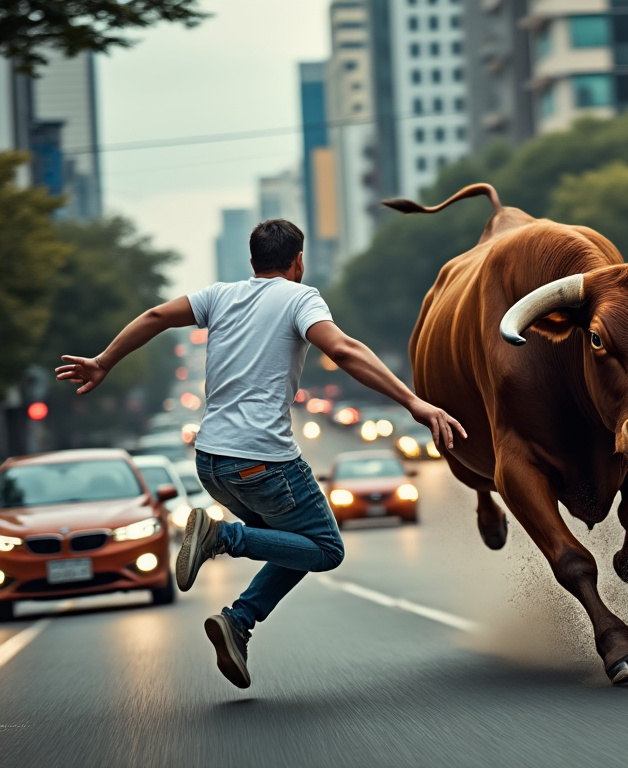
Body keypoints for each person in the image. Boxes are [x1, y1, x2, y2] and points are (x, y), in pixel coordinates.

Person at [55, 219, 465, 689]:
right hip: (263, 463)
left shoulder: (218, 296)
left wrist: (103, 361)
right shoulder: (301, 297)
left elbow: (154, 317)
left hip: (210, 462)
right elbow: (345, 350)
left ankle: (239, 621)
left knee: (292, 548)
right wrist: (413, 401)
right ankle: (222, 538)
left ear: (252, 262)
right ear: (298, 262)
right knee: (325, 550)